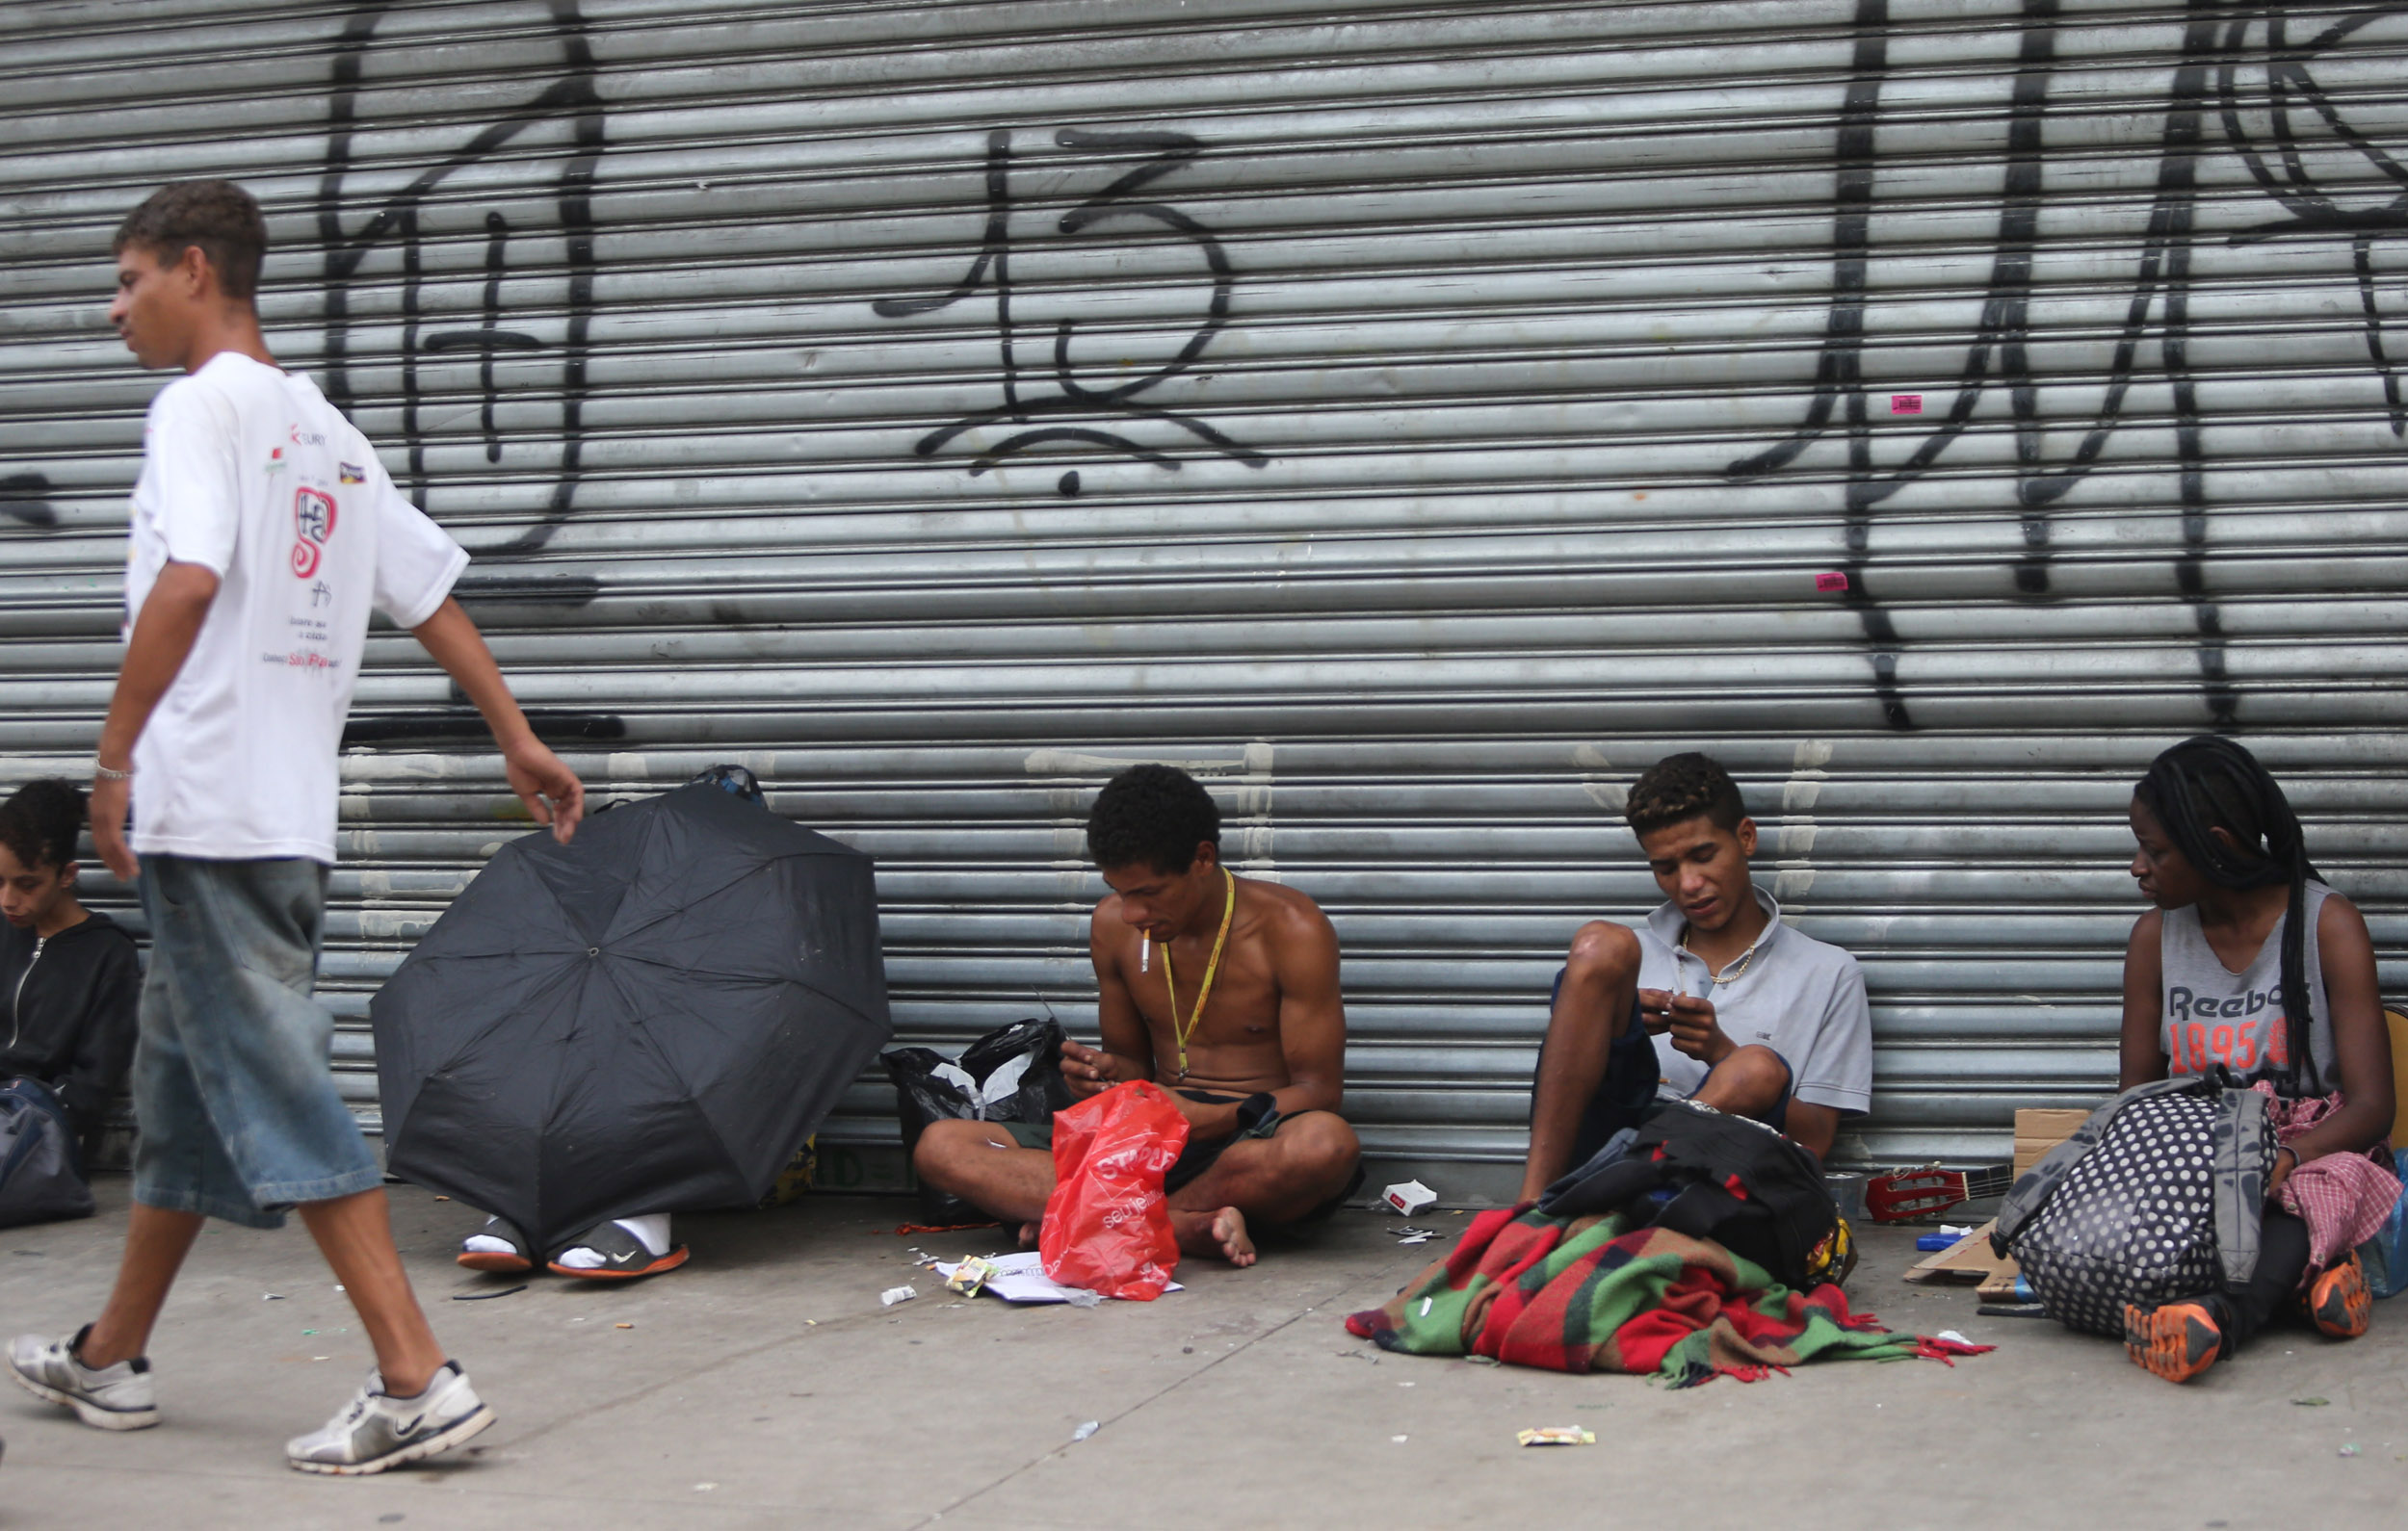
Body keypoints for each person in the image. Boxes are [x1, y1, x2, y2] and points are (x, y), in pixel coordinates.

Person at [5, 181, 584, 1474]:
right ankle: (108, 1359)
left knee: (274, 1082)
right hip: (284, 823)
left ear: (194, 269)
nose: (115, 312)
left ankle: (415, 1375)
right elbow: (427, 591)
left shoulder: (199, 407)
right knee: (182, 1095)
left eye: (128, 278)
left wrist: (112, 760)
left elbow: (191, 576)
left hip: (209, 812)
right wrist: (515, 732)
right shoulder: (326, 431)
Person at [913, 765, 1361, 1267]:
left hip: (1245, 1138)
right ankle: (1180, 1225)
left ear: (1202, 860)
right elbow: (1132, 1065)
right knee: (942, 1145)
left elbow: (1320, 1091)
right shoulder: (1113, 927)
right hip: (1147, 1136)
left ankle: (1091, 1216)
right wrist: (1103, 1076)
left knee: (1326, 1145)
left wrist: (1213, 1119)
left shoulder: (1292, 929)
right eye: (1120, 891)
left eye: (1147, 893)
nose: (1130, 913)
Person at [2116, 737, 2398, 1384]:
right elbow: (2132, 1102)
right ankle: (2310, 1289)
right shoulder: (2154, 941)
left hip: (2310, 1151)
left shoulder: (2328, 927)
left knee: (2310, 1195)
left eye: (2155, 850)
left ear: (2217, 842)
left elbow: (2373, 1107)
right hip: (2199, 1147)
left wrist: (2285, 1158)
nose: (2138, 867)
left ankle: (2219, 1318)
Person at [1519, 752, 1871, 1204]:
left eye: (1703, 856)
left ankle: (1615, 1184)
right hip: (1600, 1143)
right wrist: (1617, 1024)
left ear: (1745, 838)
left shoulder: (1829, 972)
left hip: (1720, 1174)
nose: (1688, 884)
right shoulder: (1628, 959)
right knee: (1598, 942)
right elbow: (1565, 1082)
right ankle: (1528, 1211)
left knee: (1756, 1067)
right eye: (1666, 868)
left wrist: (1719, 1052)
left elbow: (1814, 1145)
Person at [0, 780, 141, 1170]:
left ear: (67, 875)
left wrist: (30, 1110)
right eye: (0, 881)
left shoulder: (107, 953)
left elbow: (91, 1087)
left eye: (27, 885)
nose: (8, 900)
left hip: (31, 1128)